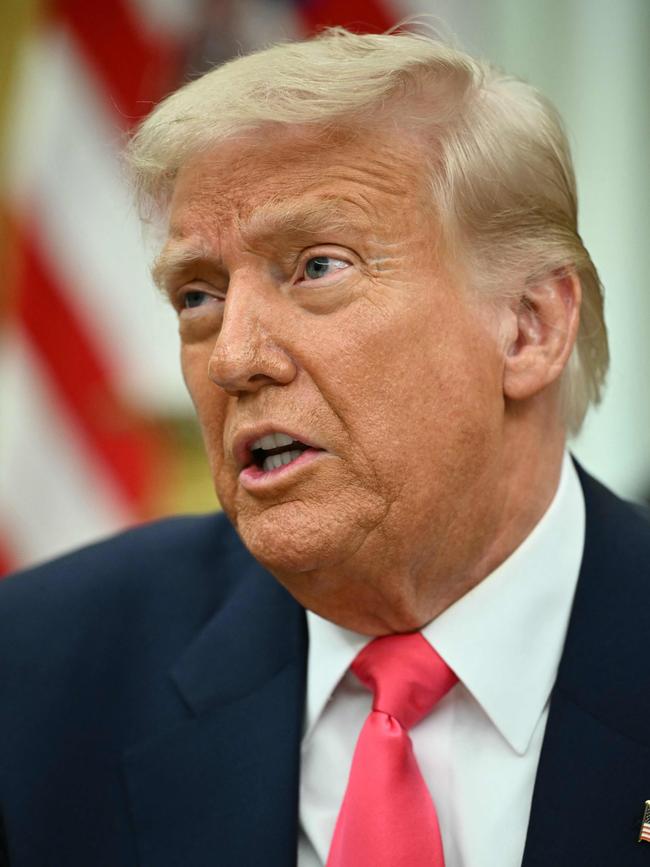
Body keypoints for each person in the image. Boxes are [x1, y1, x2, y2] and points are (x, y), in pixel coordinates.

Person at [0, 26, 649, 867]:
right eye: (198, 294)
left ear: (529, 327)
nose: (231, 357)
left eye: (316, 267)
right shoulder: (38, 674)